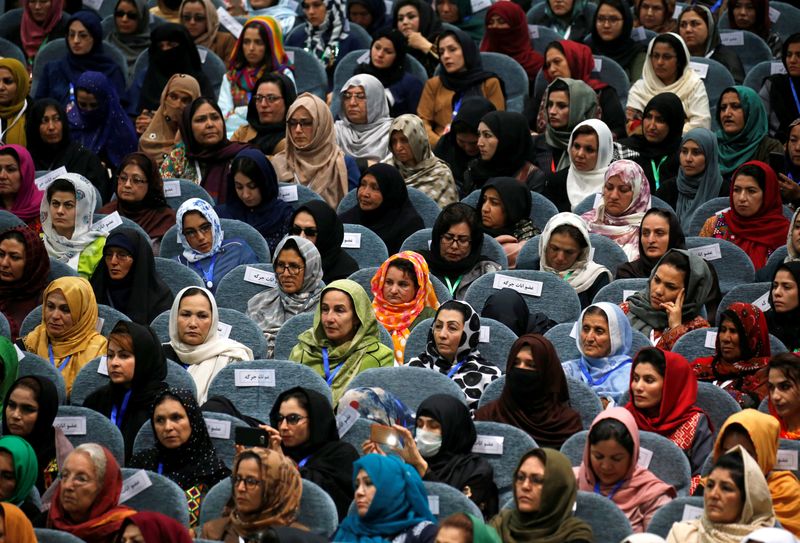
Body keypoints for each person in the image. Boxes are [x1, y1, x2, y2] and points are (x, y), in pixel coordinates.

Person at [363, 394, 498, 517]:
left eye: (433, 426)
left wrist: (421, 466)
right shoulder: (408, 465)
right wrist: (382, 470)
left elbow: (451, 513)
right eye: (420, 425)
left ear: (453, 429)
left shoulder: (477, 470)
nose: (423, 432)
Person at [128, 388, 230, 527]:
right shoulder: (142, 464)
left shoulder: (213, 471)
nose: (168, 427)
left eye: (176, 417)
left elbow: (220, 528)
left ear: (193, 420)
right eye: (160, 420)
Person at [289, 280, 394, 402]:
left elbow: (379, 409)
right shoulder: (303, 351)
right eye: (324, 309)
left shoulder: (380, 357)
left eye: (339, 310)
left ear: (357, 317)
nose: (329, 318)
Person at [265, 387, 359, 520]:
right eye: (279, 418)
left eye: (293, 418)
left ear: (316, 419)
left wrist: (283, 465)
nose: (283, 427)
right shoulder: (274, 449)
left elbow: (324, 502)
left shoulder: (342, 454)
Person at [577, 407, 676, 532]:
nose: (606, 466)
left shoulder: (652, 495)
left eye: (616, 459)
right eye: (598, 456)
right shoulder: (573, 481)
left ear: (633, 456)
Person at [475, 334, 583, 449]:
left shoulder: (567, 424)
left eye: (531, 365)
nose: (521, 369)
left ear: (546, 372)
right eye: (516, 363)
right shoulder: (486, 417)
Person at [83, 321, 168, 461]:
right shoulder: (95, 401)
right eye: (110, 355)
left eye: (124, 356)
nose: (114, 363)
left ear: (143, 359)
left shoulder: (162, 405)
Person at [624, 347, 713, 478]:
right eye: (636, 378)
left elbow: (702, 477)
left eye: (649, 380)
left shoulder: (695, 424)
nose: (638, 387)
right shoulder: (626, 417)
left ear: (671, 385)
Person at [710, 409, 800, 537]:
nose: (734, 460)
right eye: (727, 451)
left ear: (764, 454)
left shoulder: (784, 492)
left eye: (745, 453)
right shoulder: (710, 485)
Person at [665, 447, 776, 543]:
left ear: (747, 499)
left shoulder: (764, 540)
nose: (713, 494)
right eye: (710, 485)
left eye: (726, 488)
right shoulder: (683, 535)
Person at [407, 300, 502, 411]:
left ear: (469, 333)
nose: (442, 335)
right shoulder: (413, 368)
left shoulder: (488, 377)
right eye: (438, 326)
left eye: (452, 328)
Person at [163, 287, 254, 403]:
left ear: (213, 320)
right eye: (186, 315)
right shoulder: (158, 356)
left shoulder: (232, 358)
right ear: (174, 317)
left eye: (202, 316)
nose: (193, 324)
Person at [417, 28, 504, 147]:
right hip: (439, 148)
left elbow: (497, 123)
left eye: (452, 50)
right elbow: (423, 122)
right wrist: (440, 144)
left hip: (477, 147)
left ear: (467, 51)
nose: (446, 56)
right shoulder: (434, 84)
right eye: (441, 52)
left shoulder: (489, 83)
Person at [271, 93, 359, 208]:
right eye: (293, 123)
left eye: (306, 123)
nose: (297, 130)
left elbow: (353, 209)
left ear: (322, 124)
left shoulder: (343, 164)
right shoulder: (278, 163)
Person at [21, 276, 107, 394]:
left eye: (65, 309)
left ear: (82, 313)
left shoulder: (99, 349)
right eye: (50, 306)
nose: (55, 315)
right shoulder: (33, 338)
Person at [199, 447, 306, 541]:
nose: (240, 488)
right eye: (238, 479)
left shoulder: (299, 538)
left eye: (251, 481)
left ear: (274, 487)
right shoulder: (213, 532)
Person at [490, 448, 593, 543]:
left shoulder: (574, 535)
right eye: (520, 477)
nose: (525, 486)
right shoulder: (500, 524)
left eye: (537, 480)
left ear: (557, 487)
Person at [699, 161, 789, 270]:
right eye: (736, 190)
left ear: (767, 194)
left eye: (751, 191)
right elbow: (698, 269)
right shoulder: (715, 224)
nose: (742, 198)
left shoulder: (785, 233)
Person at [159, 98, 251, 203]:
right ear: (188, 127)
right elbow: (161, 198)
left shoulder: (240, 156)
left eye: (215, 118)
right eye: (201, 120)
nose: (210, 124)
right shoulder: (177, 158)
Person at [621, 249, 713, 350]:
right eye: (656, 280)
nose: (658, 291)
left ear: (689, 293)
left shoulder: (697, 329)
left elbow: (686, 362)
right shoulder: (627, 309)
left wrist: (676, 328)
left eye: (670, 287)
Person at [333, 453, 437, 543]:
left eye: (368, 483)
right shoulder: (348, 529)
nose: (359, 492)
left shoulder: (425, 534)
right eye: (356, 485)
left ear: (390, 488)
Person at [247, 236, 323, 357]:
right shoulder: (258, 303)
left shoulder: (326, 307)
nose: (286, 274)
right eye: (281, 265)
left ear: (311, 268)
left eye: (294, 266)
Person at [34, 10, 128, 106]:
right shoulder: (52, 70)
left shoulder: (111, 72)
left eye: (83, 35)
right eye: (71, 35)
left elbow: (120, 112)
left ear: (95, 38)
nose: (76, 41)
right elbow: (38, 109)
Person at [45, 444, 136, 542]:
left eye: (81, 479)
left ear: (103, 488)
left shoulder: (126, 530)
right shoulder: (48, 520)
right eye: (65, 475)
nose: (67, 486)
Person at [220, 17, 294, 139]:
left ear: (269, 45)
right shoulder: (230, 77)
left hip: (275, 135)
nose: (251, 48)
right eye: (246, 42)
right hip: (233, 136)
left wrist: (239, 112)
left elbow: (288, 113)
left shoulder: (283, 75)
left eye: (258, 42)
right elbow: (224, 117)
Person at [535, 40, 625, 139]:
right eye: (548, 65)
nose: (552, 69)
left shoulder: (603, 93)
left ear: (574, 61)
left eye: (557, 62)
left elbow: (619, 131)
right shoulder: (548, 93)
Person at [625, 33, 710, 136]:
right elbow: (632, 127)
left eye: (667, 57)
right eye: (655, 56)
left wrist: (659, 132)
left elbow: (701, 126)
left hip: (682, 148)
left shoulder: (693, 85)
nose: (659, 62)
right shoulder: (640, 88)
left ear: (679, 60)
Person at [692, 302, 771, 409]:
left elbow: (753, 407)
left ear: (751, 336)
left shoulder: (767, 375)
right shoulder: (701, 366)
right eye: (723, 330)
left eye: (733, 331)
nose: (725, 338)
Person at [24, 99, 110, 198]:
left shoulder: (84, 158)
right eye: (45, 121)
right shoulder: (26, 160)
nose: (51, 127)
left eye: (56, 119)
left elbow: (98, 197)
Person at [172, 198, 259, 293]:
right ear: (183, 236)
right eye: (190, 232)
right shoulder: (177, 265)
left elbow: (256, 291)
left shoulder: (238, 250)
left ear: (214, 224)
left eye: (205, 228)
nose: (200, 237)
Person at [419, 202, 502, 299]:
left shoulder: (486, 271)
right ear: (438, 237)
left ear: (474, 243)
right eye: (448, 238)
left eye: (463, 240)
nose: (454, 246)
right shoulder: (418, 265)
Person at [89, 229, 173, 324]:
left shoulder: (160, 298)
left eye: (122, 255)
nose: (113, 261)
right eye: (108, 254)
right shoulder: (95, 288)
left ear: (137, 259)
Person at [215, 148, 292, 253]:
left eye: (252, 186)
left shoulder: (284, 215)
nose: (246, 195)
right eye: (239, 187)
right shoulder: (220, 216)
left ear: (265, 183)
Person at [339, 163, 424, 255]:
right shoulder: (345, 221)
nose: (364, 193)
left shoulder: (410, 226)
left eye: (375, 188)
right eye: (363, 184)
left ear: (390, 192)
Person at [370, 251, 439, 364]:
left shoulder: (430, 318)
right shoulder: (367, 313)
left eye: (403, 284)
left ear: (418, 288)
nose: (393, 290)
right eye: (388, 282)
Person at [99, 153, 177, 252]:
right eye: (123, 178)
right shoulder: (105, 214)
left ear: (151, 184)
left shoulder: (166, 219)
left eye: (136, 180)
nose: (127, 185)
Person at [2, 376, 67, 494]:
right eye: (11, 405)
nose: (15, 415)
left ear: (44, 414)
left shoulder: (61, 456)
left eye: (27, 409)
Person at [562, 302, 635, 406]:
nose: (589, 338)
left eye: (599, 331)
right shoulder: (566, 371)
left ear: (616, 337)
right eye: (585, 329)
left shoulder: (632, 377)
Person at [67, 71, 139, 173]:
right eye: (82, 105)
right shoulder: (70, 124)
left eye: (93, 105)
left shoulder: (120, 130)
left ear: (105, 102)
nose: (88, 110)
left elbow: (128, 168)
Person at [536, 212, 612, 307]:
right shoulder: (529, 269)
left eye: (569, 252)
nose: (560, 258)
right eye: (554, 249)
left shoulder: (596, 277)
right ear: (545, 245)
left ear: (581, 252)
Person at [133, 24, 212, 115]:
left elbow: (207, 113)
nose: (165, 50)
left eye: (171, 45)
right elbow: (132, 113)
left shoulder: (199, 79)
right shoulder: (145, 77)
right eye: (160, 46)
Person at [581, 159, 652, 261]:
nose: (614, 196)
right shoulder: (584, 223)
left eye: (623, 190)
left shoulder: (648, 233)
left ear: (638, 193)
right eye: (609, 188)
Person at [531, 77, 599, 179]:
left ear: (580, 109)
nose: (552, 111)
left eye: (561, 106)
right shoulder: (534, 144)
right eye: (550, 105)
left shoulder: (602, 149)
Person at [657, 128, 725, 229]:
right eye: (684, 151)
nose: (688, 159)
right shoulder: (667, 190)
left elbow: (722, 233)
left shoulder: (724, 192)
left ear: (709, 156)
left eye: (696, 152)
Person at [386, 114, 458, 206]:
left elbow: (449, 216)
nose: (398, 147)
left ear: (418, 140)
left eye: (404, 140)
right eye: (393, 141)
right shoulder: (387, 170)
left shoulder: (441, 174)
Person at [543, 119, 614, 212]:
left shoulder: (614, 184)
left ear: (603, 153)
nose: (580, 154)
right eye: (576, 146)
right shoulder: (556, 181)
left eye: (589, 149)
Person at [40, 175, 106, 276]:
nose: (60, 211)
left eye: (68, 205)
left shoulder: (101, 246)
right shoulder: (38, 243)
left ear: (84, 209)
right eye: (55, 204)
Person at [620, 92, 685, 193]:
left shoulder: (683, 154)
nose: (651, 126)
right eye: (648, 117)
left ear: (673, 124)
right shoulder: (624, 149)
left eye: (660, 120)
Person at [284, 0, 362, 83]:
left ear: (332, 6)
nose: (311, 12)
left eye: (317, 5)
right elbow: (287, 70)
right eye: (306, 7)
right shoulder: (296, 37)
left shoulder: (352, 38)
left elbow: (358, 75)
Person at [463, 111, 539, 195]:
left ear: (507, 138)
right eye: (479, 135)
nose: (479, 143)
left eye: (487, 135)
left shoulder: (531, 177)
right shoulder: (474, 170)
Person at [717, 87, 783, 184]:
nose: (727, 114)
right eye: (723, 108)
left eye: (735, 106)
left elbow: (771, 190)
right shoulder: (712, 144)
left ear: (752, 111)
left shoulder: (770, 148)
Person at [355, 29, 425, 118]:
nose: (380, 54)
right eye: (377, 47)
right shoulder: (360, 75)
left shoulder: (411, 84)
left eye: (388, 52)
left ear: (398, 56)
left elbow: (417, 122)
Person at [432, 96, 496, 190]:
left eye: (473, 143)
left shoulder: (497, 153)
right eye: (461, 142)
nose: (468, 148)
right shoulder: (445, 145)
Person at [138, 74, 202, 166]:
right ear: (164, 97)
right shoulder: (147, 142)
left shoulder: (201, 143)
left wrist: (180, 146)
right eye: (173, 97)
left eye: (185, 100)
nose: (177, 105)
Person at [289, 200, 358, 284]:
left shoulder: (344, 273)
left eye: (310, 232)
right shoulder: (284, 258)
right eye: (296, 230)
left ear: (325, 234)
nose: (301, 237)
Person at [0, 226, 49, 340]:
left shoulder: (45, 300)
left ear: (31, 261)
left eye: (15, 257)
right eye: (1, 254)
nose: (4, 263)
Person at [230, 73, 296, 156]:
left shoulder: (296, 138)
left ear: (287, 101)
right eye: (259, 98)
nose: (263, 104)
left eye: (271, 98)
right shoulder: (243, 133)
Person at [477, 177, 537, 269]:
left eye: (494, 203)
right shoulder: (470, 229)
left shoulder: (525, 247)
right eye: (484, 200)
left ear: (512, 208)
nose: (485, 209)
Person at [335, 74, 394, 165]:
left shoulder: (392, 132)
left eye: (360, 96)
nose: (352, 103)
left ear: (376, 100)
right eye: (347, 96)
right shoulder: (336, 131)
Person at [677, 5, 744, 84]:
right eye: (683, 25)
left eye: (695, 24)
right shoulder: (675, 57)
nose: (687, 30)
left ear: (709, 27)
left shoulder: (727, 57)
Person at [480, 2, 543, 85]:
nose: (495, 26)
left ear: (516, 26)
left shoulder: (536, 64)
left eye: (501, 21)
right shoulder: (481, 60)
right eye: (490, 22)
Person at [586, 0, 647, 82]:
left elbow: (637, 88)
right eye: (601, 19)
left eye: (613, 19)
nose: (606, 25)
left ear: (625, 22)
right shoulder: (586, 48)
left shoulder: (637, 52)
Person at [615, 208, 685, 279]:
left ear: (673, 237)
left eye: (659, 233)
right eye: (645, 233)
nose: (651, 240)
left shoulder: (689, 272)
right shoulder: (627, 273)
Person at [760, 34, 800, 143]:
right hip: (779, 148)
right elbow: (761, 127)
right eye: (788, 55)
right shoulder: (773, 84)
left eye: (799, 55)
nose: (792, 60)